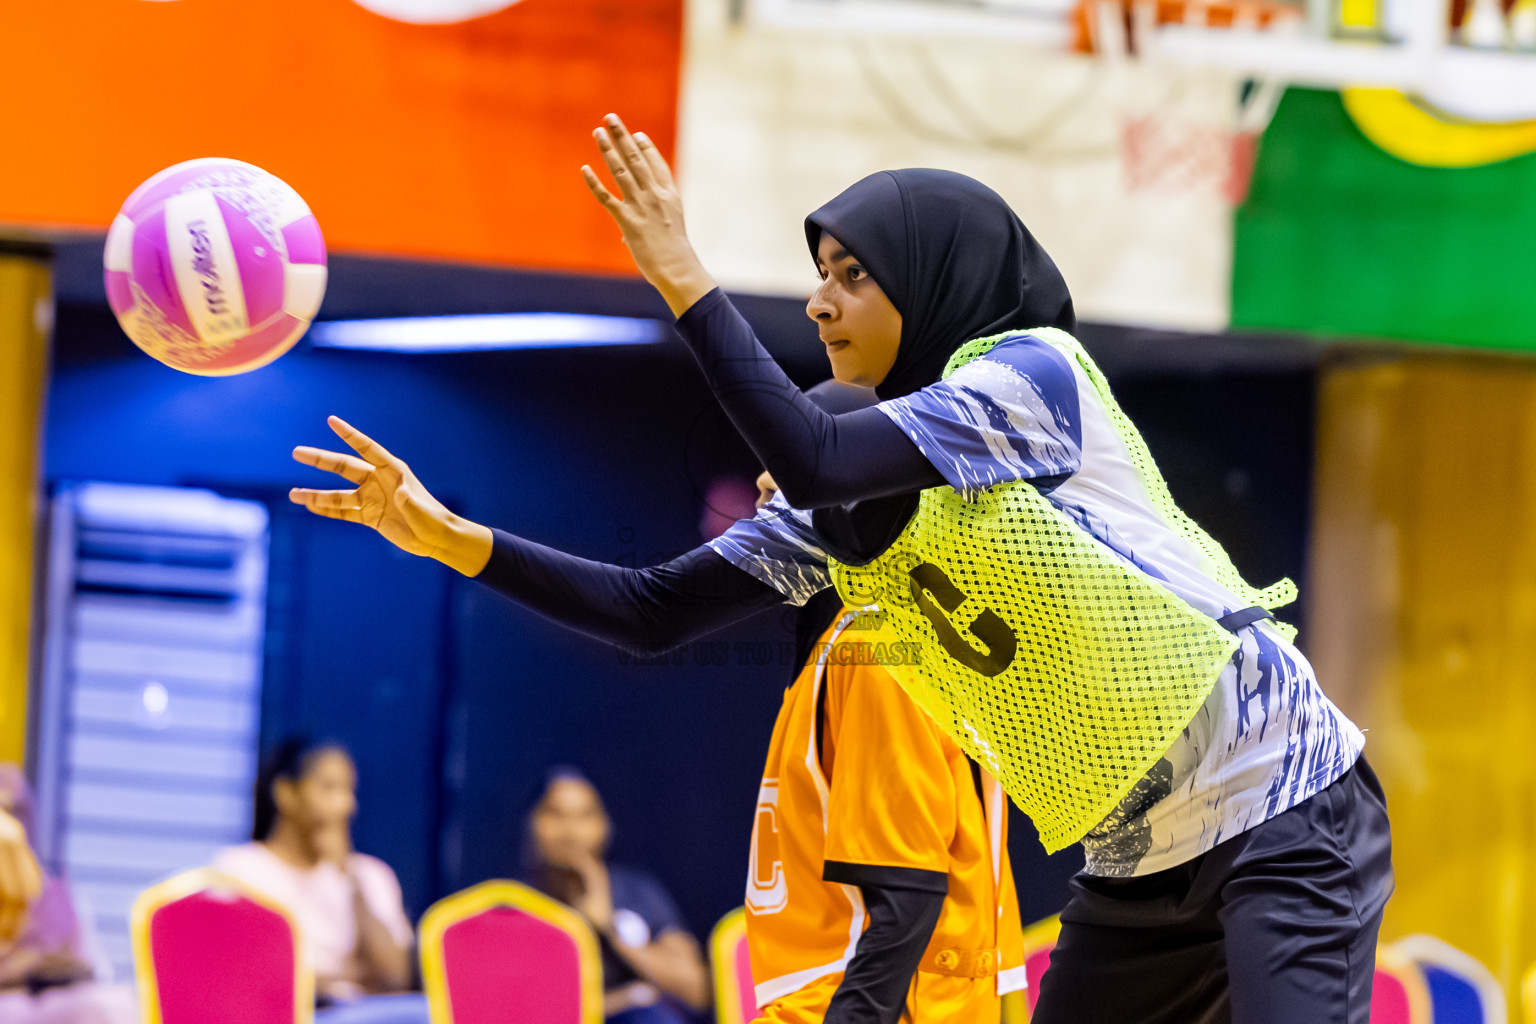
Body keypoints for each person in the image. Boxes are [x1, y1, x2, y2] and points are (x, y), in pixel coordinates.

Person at [288, 115, 1392, 1023]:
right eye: (817, 276)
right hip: (1140, 855)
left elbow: (811, 452)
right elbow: (650, 612)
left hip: (1285, 794)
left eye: (852, 276)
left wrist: (682, 279)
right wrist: (454, 539)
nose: (819, 302)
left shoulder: (1031, 375)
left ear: (936, 279)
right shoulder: (841, 515)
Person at [214, 738, 426, 1024]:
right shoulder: (241, 869)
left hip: (367, 1013)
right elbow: (247, 979)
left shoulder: (371, 875)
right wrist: (344, 975)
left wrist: (350, 880)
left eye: (350, 790)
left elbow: (396, 976)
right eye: (329, 788)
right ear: (286, 794)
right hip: (290, 1015)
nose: (346, 805)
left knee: (423, 1012)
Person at [521, 767, 709, 1023]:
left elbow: (696, 989)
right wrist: (621, 1000)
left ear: (605, 825)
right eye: (556, 814)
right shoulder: (517, 907)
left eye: (584, 815)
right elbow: (520, 1008)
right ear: (533, 822)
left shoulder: (638, 891)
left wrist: (611, 928)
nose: (570, 830)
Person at [0, 765, 135, 1024]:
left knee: (112, 1007)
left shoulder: (51, 885)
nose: (15, 820)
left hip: (54, 994)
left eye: (19, 809)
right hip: (12, 997)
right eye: (6, 809)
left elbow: (86, 961)